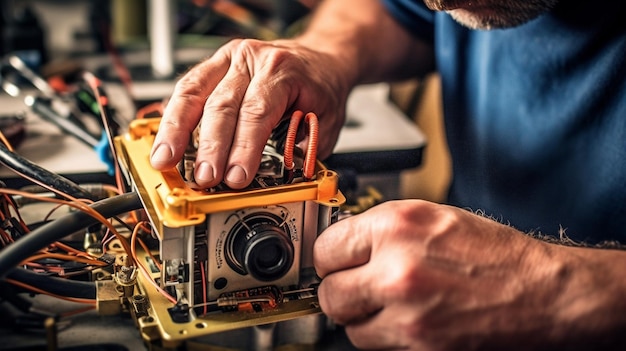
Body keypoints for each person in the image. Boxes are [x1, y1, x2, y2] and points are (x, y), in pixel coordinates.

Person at [150, 0, 626, 349]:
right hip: (436, 300)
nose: (439, 3)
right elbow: (392, 12)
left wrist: (561, 292)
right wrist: (326, 56)